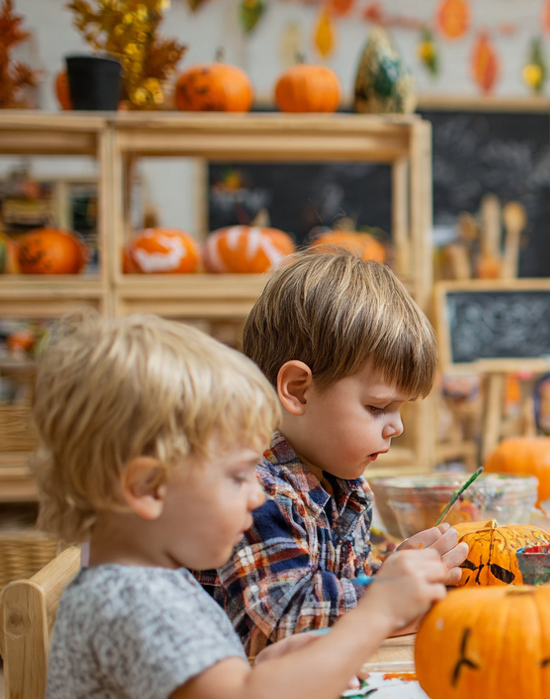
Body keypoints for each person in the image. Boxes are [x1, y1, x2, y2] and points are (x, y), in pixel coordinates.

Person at [33, 314, 451, 699]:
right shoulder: (132, 598)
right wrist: (375, 612)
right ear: (147, 488)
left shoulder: (151, 578)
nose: (258, 496)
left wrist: (267, 666)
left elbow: (222, 693)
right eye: (237, 477)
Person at [196, 249, 466, 655]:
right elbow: (285, 620)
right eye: (377, 407)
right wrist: (384, 594)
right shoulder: (252, 492)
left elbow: (335, 585)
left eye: (400, 408)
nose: (397, 426)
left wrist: (388, 570)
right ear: (298, 390)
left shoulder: (343, 483)